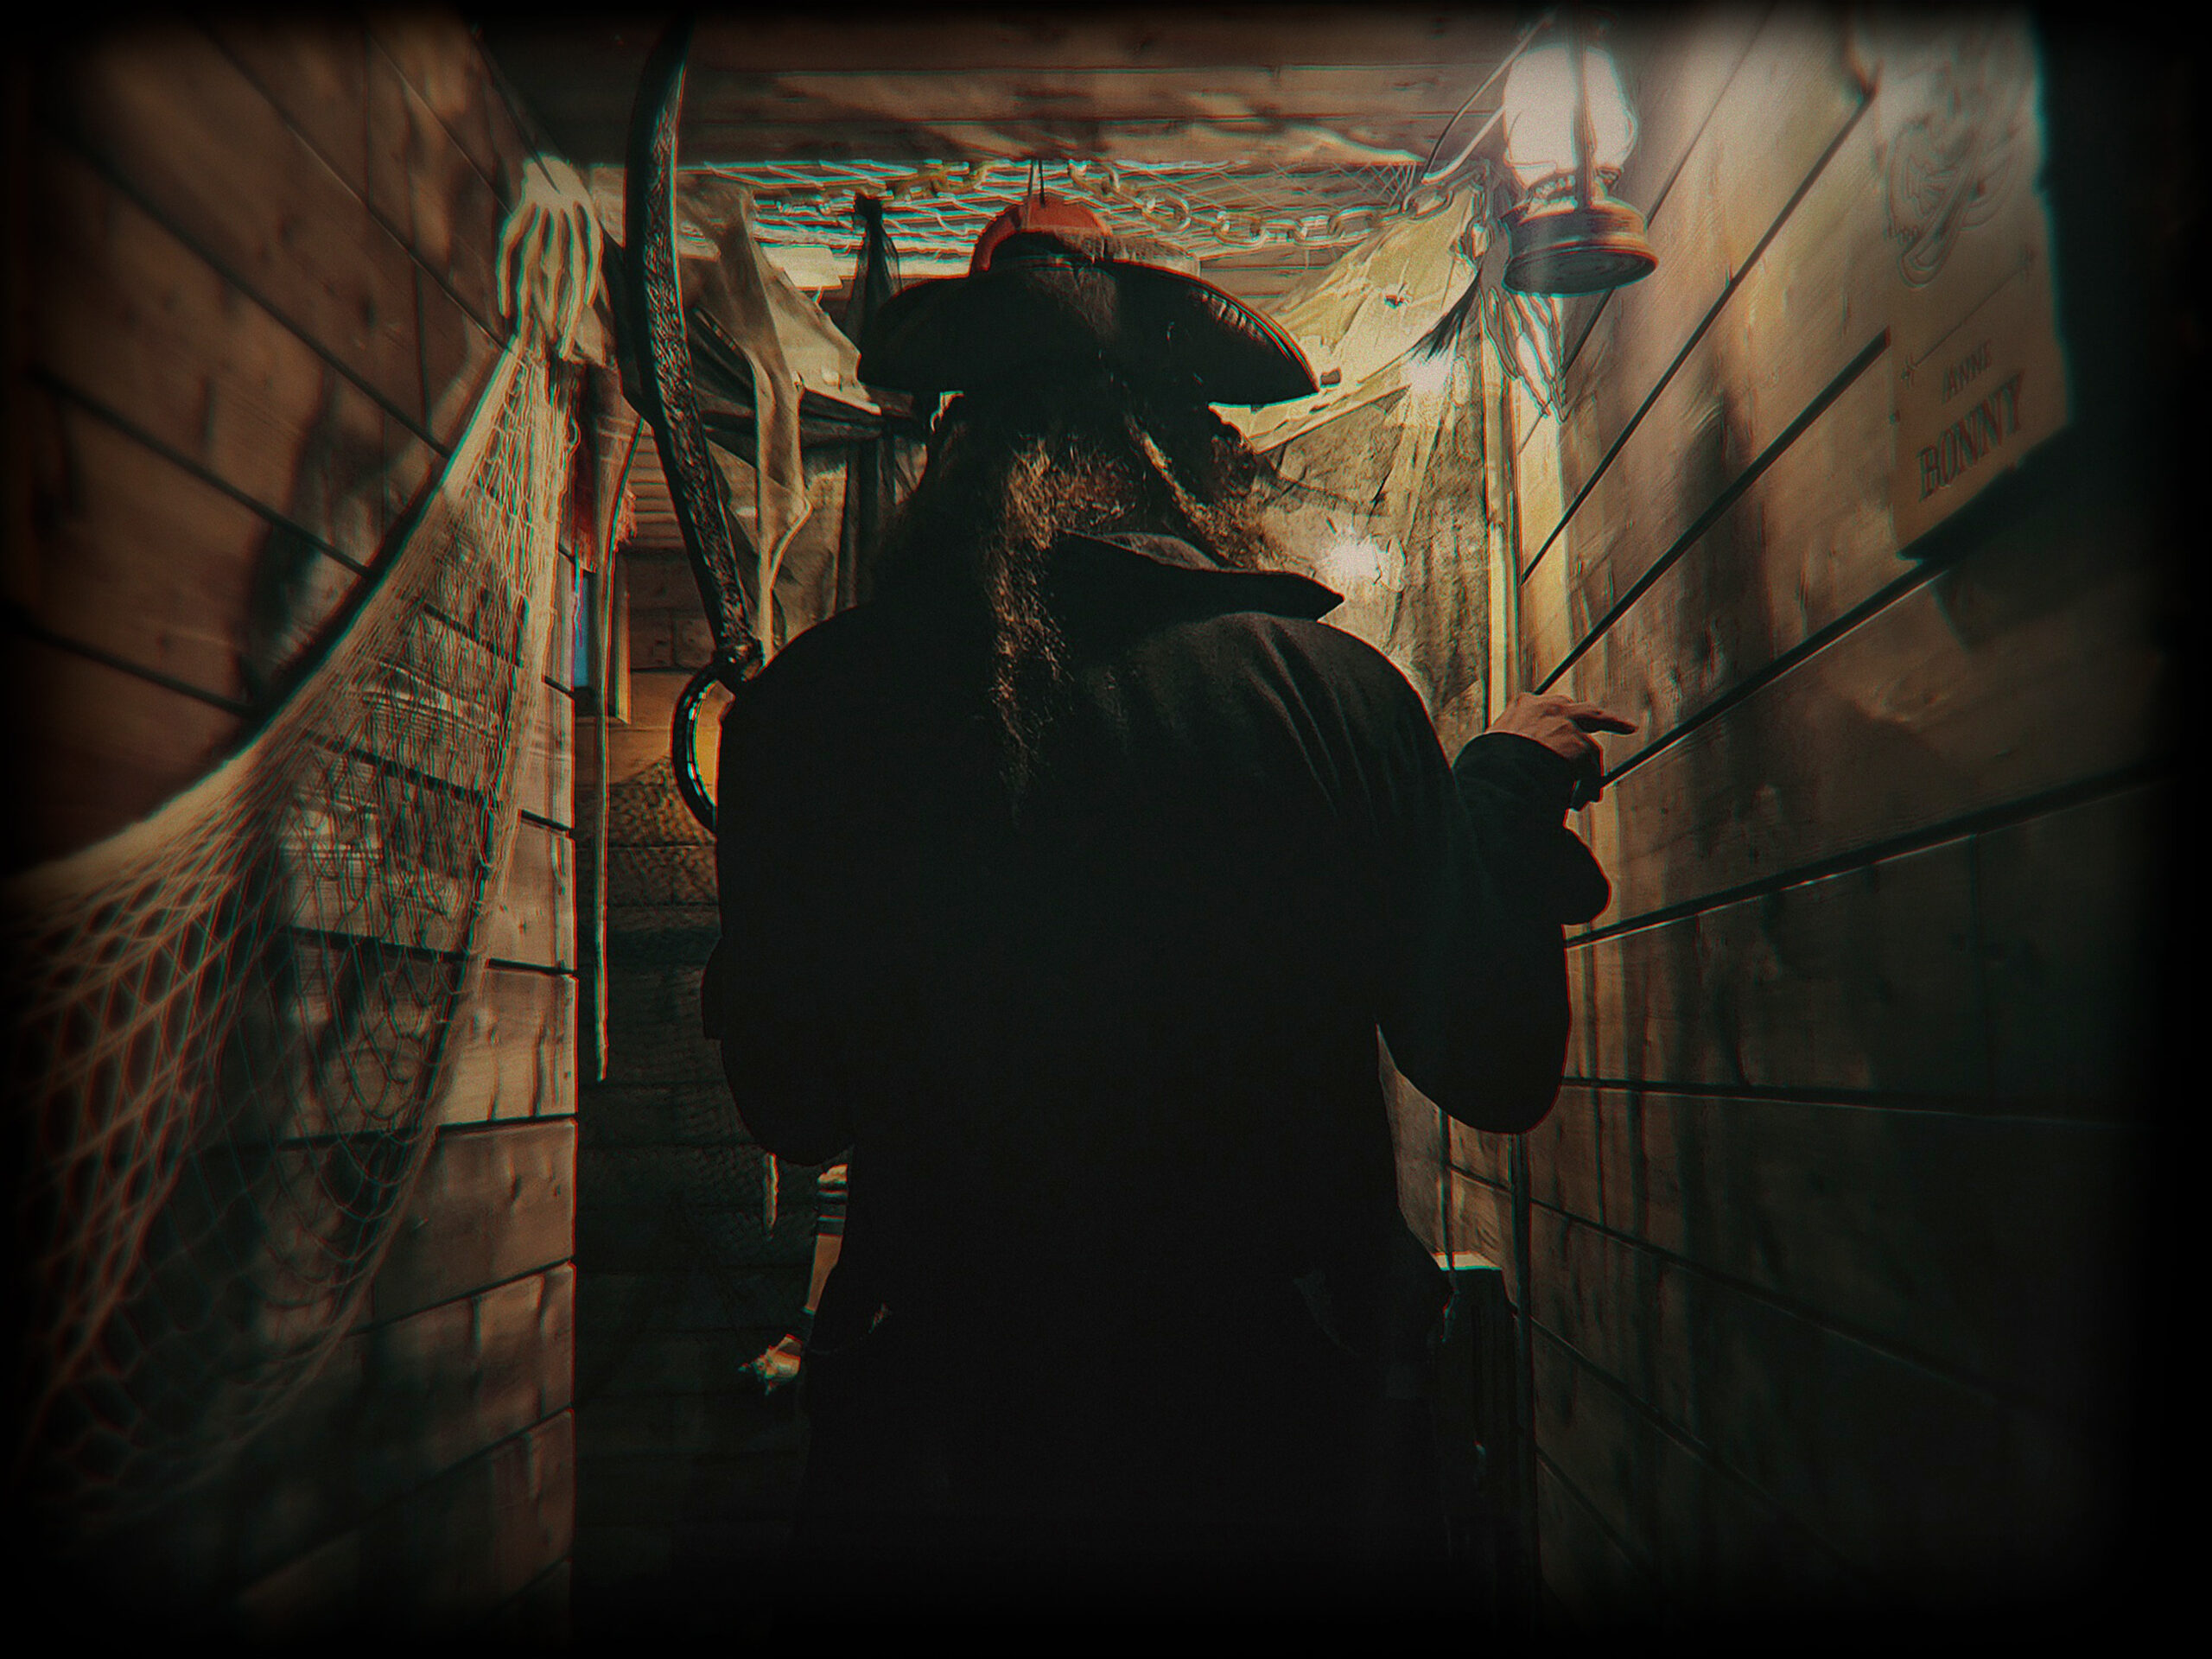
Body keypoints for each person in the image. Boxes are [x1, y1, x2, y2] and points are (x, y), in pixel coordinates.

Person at [698, 194, 1632, 1618]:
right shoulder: (1335, 696)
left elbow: (793, 1107)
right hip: (1276, 1451)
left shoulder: (804, 716)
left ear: (957, 451)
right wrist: (1498, 798)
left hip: (950, 1455)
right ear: (1186, 455)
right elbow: (1494, 1065)